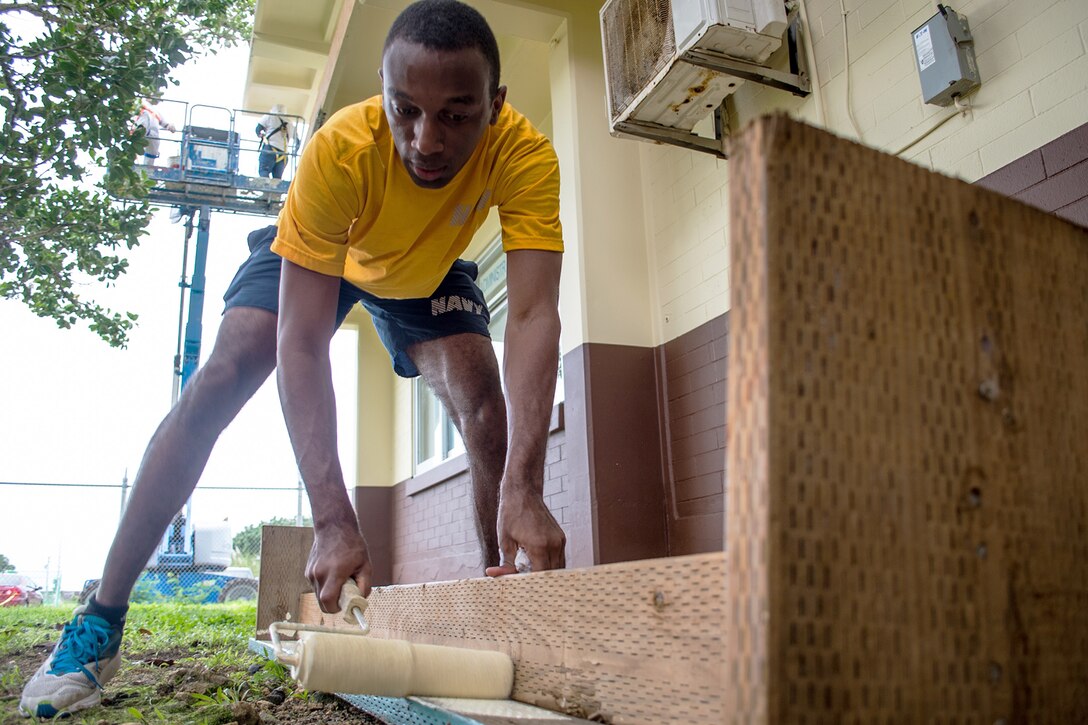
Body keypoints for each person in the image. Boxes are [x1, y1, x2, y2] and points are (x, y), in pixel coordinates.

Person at [18, 0, 566, 718]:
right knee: (228, 367)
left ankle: (502, 604)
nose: (426, 140)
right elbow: (301, 343)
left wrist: (525, 481)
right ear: (382, 90)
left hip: (423, 273)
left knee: (481, 393)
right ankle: (98, 620)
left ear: (496, 104)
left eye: (458, 115)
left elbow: (531, 315)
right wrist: (334, 516)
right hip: (331, 253)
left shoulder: (525, 156)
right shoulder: (342, 149)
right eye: (405, 109)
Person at [255, 104, 293, 179]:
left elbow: (258, 129)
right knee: (277, 179)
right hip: (283, 154)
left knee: (264, 172)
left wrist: (261, 135)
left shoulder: (269, 116)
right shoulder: (290, 122)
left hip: (270, 150)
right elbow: (296, 140)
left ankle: (266, 189)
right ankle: (273, 190)